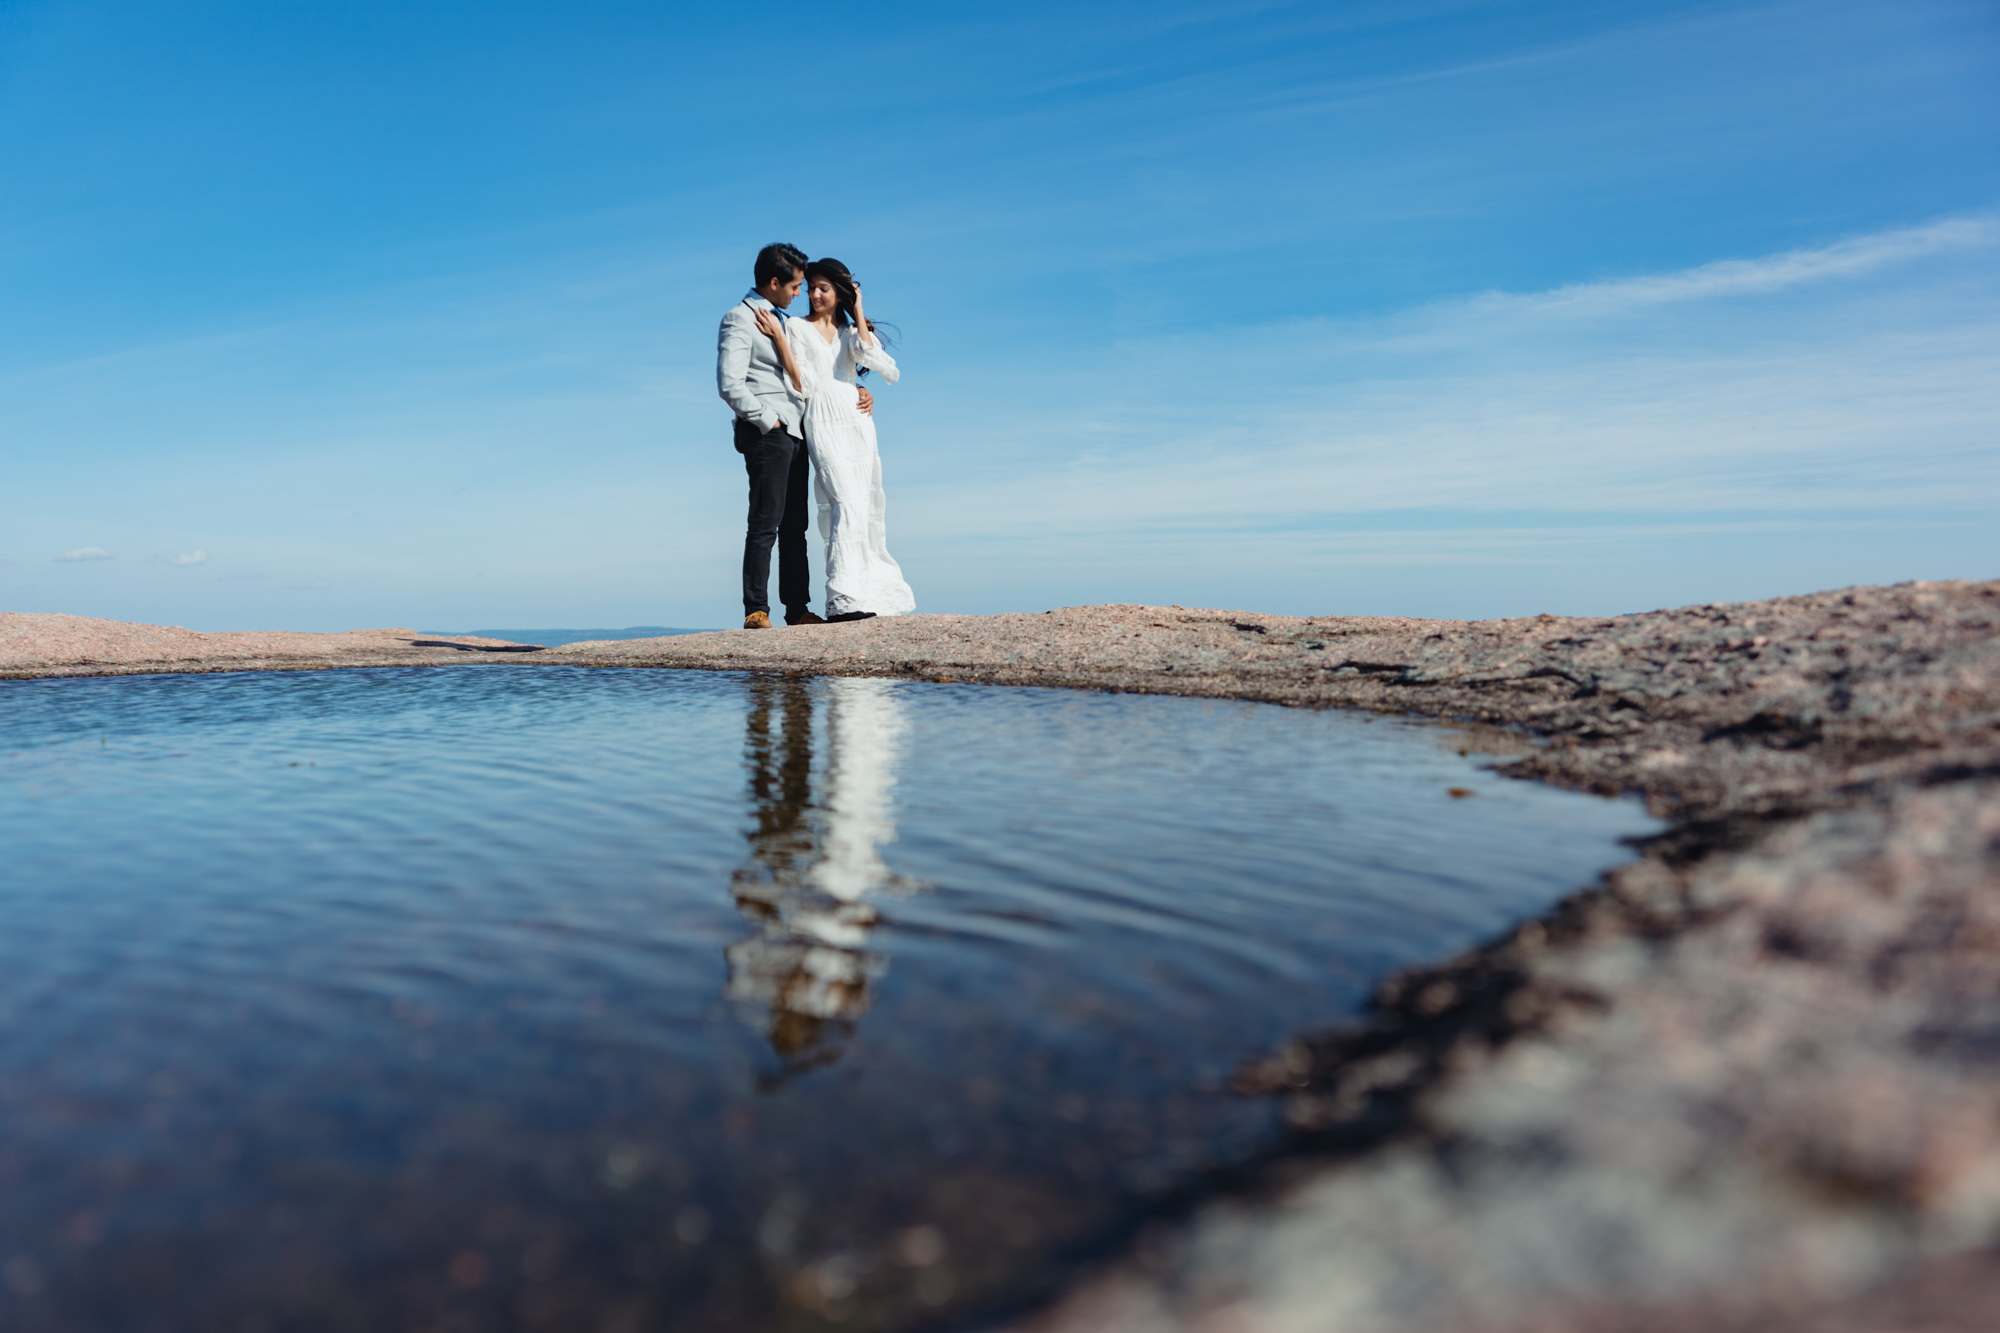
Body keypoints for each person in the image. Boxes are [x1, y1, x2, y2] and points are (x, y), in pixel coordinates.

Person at [717, 243, 872, 629]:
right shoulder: (739, 318)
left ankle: (797, 609)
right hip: (769, 433)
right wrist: (768, 421)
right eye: (796, 285)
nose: (800, 293)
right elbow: (729, 384)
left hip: (801, 432)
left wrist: (857, 391)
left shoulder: (786, 321)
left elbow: (815, 375)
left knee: (794, 527)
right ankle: (756, 610)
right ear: (774, 282)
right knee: (765, 521)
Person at [751, 258, 914, 622]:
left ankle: (860, 594)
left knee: (860, 503)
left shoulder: (850, 332)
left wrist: (857, 309)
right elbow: (803, 383)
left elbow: (882, 365)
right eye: (810, 288)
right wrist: (780, 338)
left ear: (838, 293)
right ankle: (841, 598)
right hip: (821, 418)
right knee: (841, 500)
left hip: (856, 420)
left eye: (823, 288)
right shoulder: (794, 326)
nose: (813, 294)